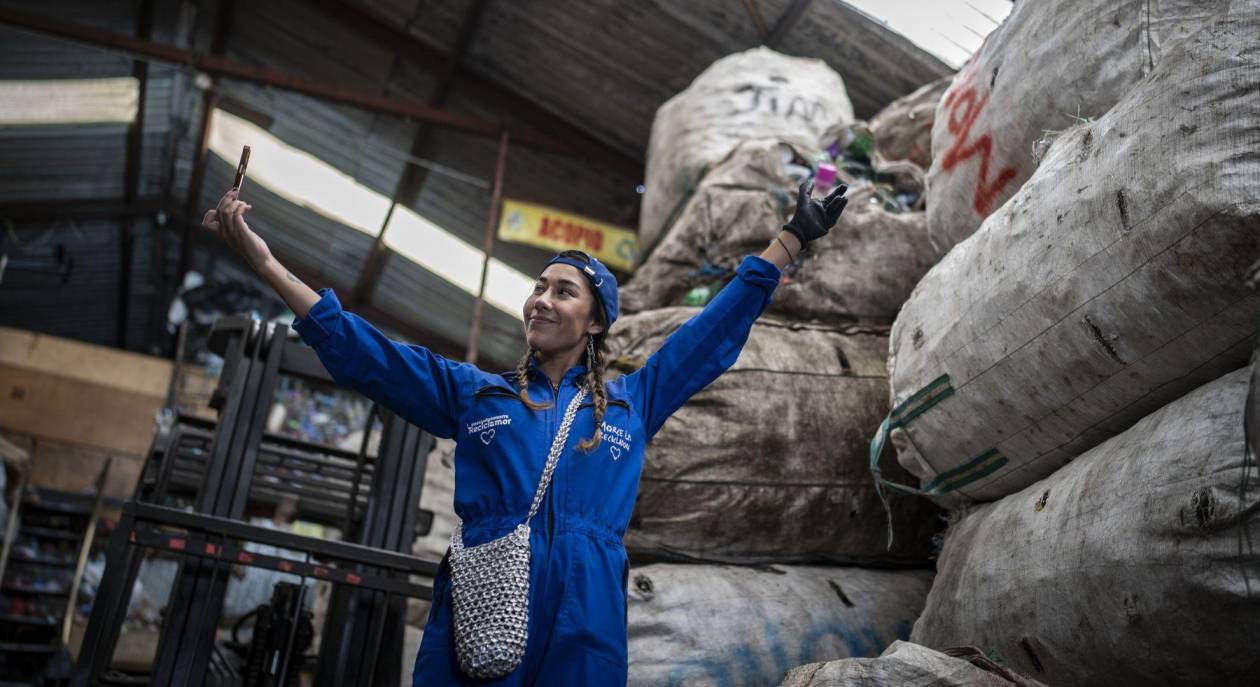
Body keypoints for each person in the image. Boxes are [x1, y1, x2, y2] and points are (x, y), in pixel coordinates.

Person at [201, 178, 848, 685]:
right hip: (487, 594)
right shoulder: (477, 392)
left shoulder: (631, 401)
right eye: (538, 286)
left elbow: (713, 332)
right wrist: (265, 262)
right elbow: (368, 352)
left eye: (563, 290)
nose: (541, 298)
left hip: (587, 606)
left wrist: (789, 239)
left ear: (595, 320)